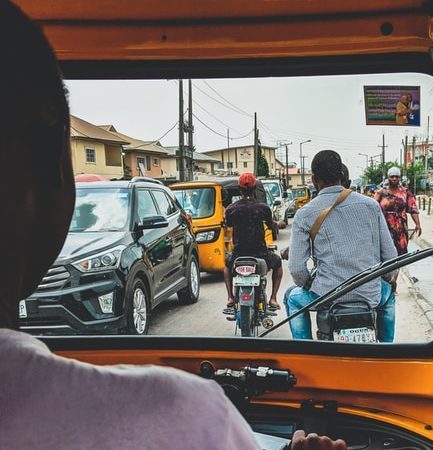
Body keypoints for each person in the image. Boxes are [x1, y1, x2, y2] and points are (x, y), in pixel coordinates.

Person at [0, 2, 345, 449]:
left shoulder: (231, 211)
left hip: (238, 259)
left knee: (226, 268)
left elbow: (220, 238)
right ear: (51, 162)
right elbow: (269, 244)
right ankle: (273, 300)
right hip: (258, 258)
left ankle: (231, 300)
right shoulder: (185, 418)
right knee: (275, 270)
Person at [286, 150, 398, 342]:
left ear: (314, 179)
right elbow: (390, 258)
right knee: (388, 298)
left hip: (326, 296)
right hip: (368, 295)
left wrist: (311, 285)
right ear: (342, 175)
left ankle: (306, 351)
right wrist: (387, 279)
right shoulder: (370, 205)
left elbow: (297, 269)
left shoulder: (304, 214)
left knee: (293, 299)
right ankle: (385, 350)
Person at [223, 172, 283, 312]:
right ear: (255, 188)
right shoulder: (263, 208)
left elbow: (228, 224)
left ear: (239, 189)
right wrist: (278, 224)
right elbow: (270, 225)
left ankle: (230, 297)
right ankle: (273, 298)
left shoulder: (231, 209)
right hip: (260, 254)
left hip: (238, 254)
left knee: (226, 265)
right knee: (278, 263)